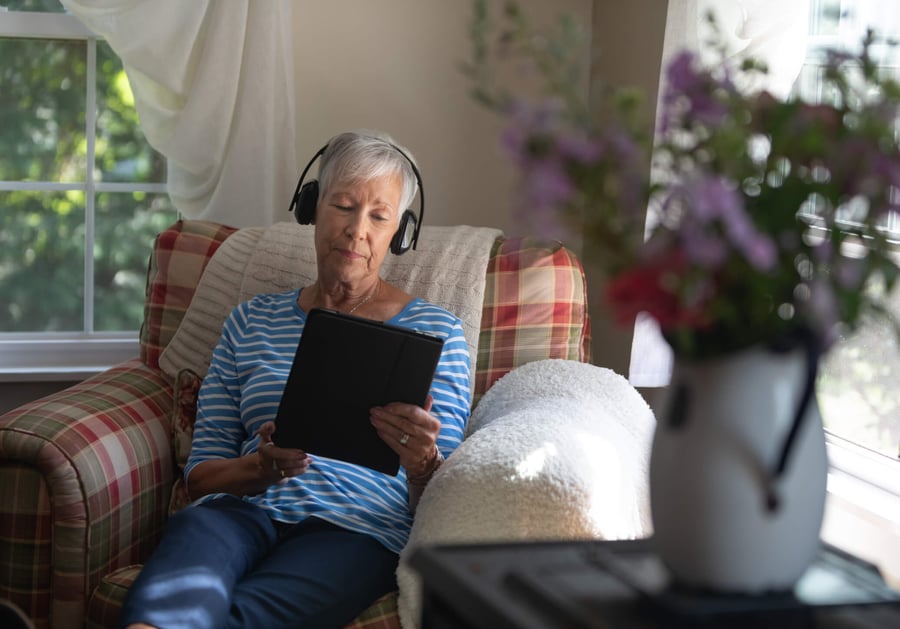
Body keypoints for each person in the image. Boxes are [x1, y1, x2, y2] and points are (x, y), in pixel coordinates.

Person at [121, 131, 472, 628]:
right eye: (344, 205)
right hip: (236, 513)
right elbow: (201, 475)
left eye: (378, 215)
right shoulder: (250, 321)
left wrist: (422, 463)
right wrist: (258, 469)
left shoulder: (438, 333)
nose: (356, 231)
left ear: (400, 231)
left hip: (357, 529)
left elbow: (447, 494)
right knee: (166, 613)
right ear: (311, 207)